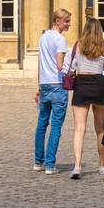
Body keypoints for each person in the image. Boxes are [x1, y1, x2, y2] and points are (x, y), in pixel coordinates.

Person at [67, 17, 104, 180]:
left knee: (79, 129)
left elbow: (72, 68)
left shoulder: (79, 47)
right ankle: (102, 165)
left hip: (81, 85)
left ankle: (77, 166)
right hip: (98, 86)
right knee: (100, 129)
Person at [33, 9, 72, 174]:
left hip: (45, 84)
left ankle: (38, 162)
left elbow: (41, 63)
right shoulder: (60, 39)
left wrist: (39, 88)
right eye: (66, 21)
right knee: (56, 125)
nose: (69, 24)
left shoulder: (43, 37)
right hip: (57, 85)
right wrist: (72, 71)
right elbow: (59, 65)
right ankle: (50, 164)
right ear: (58, 21)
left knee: (42, 124)